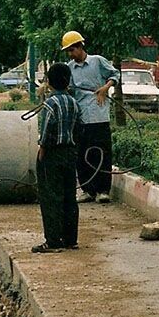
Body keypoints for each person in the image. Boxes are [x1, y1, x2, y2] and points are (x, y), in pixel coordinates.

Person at [62, 31, 120, 204]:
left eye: (72, 50)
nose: (71, 54)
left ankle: (103, 190)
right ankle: (88, 190)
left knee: (101, 154)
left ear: (80, 47)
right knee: (81, 156)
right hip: (80, 118)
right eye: (68, 52)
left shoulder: (97, 61)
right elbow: (69, 88)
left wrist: (105, 87)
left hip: (99, 115)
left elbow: (115, 74)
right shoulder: (70, 68)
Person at [32, 63, 82, 252]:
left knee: (51, 196)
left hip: (52, 153)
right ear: (68, 82)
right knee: (69, 196)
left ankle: (52, 241)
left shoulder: (50, 103)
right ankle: (71, 239)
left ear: (49, 82)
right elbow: (79, 127)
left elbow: (46, 130)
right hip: (70, 153)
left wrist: (42, 150)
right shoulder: (73, 103)